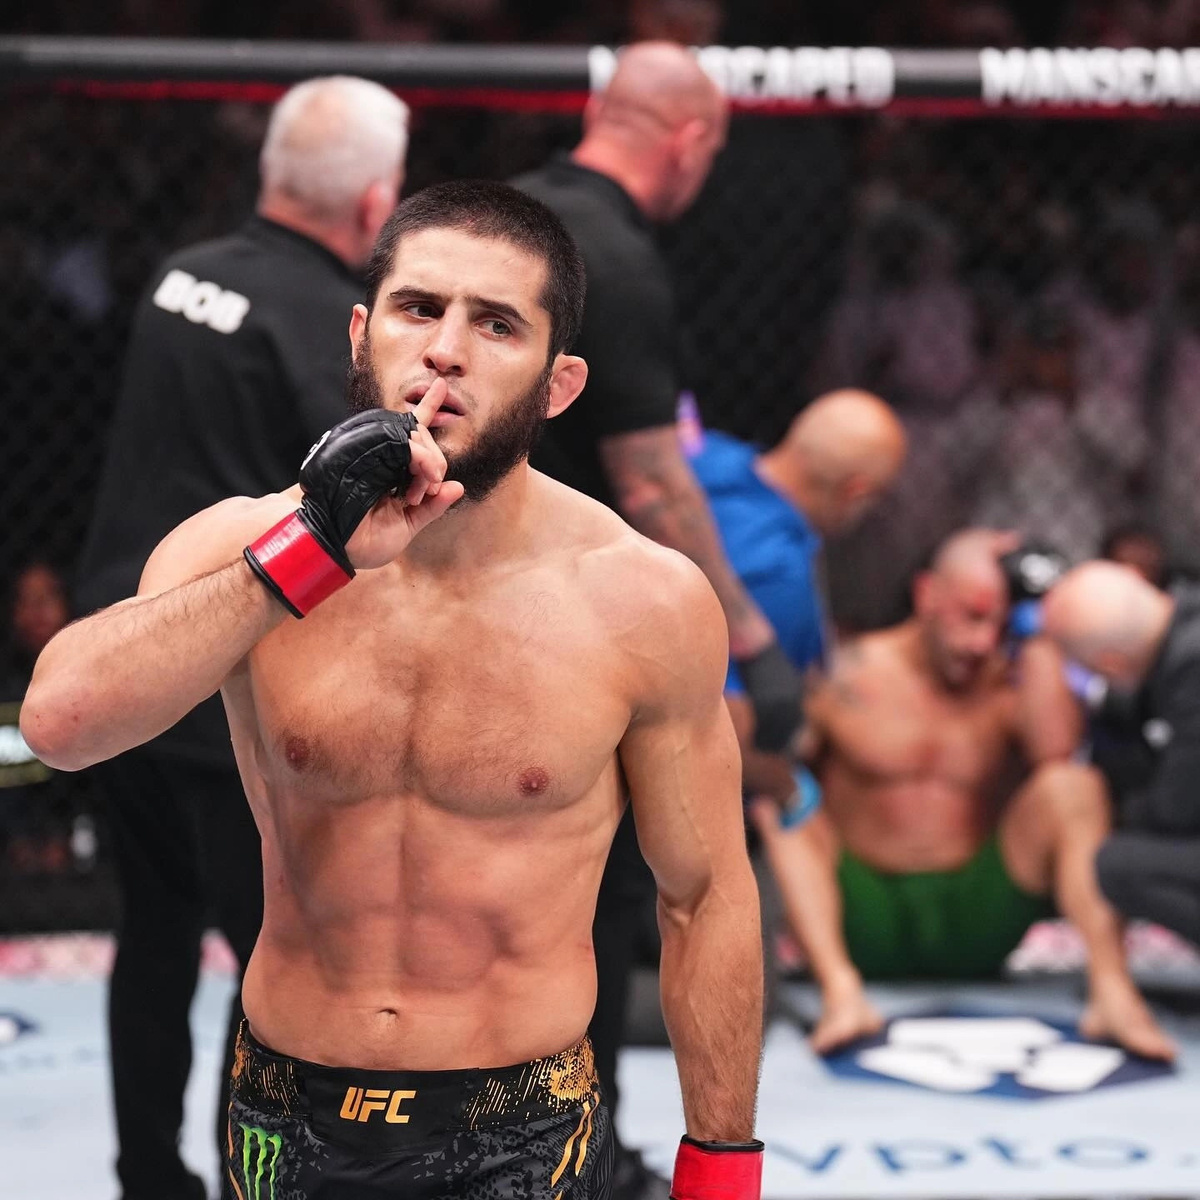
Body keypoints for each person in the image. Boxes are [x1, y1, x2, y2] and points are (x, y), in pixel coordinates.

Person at [24, 180, 766, 1200]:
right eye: (419, 308)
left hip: (524, 1127)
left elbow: (705, 896)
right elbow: (60, 725)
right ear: (361, 335)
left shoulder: (642, 598)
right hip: (287, 1113)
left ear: (558, 385)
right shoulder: (244, 547)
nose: (446, 350)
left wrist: (721, 1176)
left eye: (496, 324)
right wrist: (307, 555)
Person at [73, 76, 411, 1200]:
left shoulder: (184, 274)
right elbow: (347, 508)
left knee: (154, 931)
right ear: (375, 204)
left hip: (127, 639)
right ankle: (239, 1181)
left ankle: (147, 1176)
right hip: (226, 669)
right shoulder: (327, 322)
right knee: (276, 949)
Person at [513, 48, 791, 1194]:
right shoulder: (616, 255)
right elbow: (653, 481)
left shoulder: (510, 219)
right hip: (576, 624)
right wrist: (750, 641)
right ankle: (582, 1153)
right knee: (619, 887)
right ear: (691, 141)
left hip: (452, 584)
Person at [753, 530, 1174, 1060]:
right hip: (862, 913)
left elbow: (1059, 753)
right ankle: (842, 994)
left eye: (1000, 624)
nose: (981, 643)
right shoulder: (848, 671)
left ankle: (1113, 993)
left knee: (1074, 787)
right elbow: (772, 765)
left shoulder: (1010, 679)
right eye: (971, 617)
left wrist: (1039, 636)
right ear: (927, 594)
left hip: (975, 914)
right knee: (783, 799)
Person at [1043, 562, 1200, 950]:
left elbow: (1175, 810)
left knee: (1118, 866)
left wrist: (1109, 810)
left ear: (1111, 663)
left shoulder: (1192, 671)